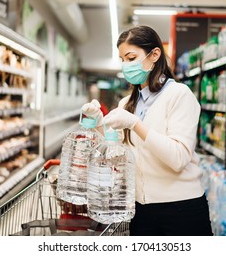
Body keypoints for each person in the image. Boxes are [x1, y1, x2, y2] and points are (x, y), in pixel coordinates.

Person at [81, 25, 213, 236]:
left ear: (154, 55)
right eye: (122, 59)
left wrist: (136, 124)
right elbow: (119, 155)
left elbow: (178, 158)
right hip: (140, 210)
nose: (125, 65)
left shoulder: (179, 95)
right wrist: (97, 123)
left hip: (181, 210)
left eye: (131, 57)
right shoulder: (127, 103)